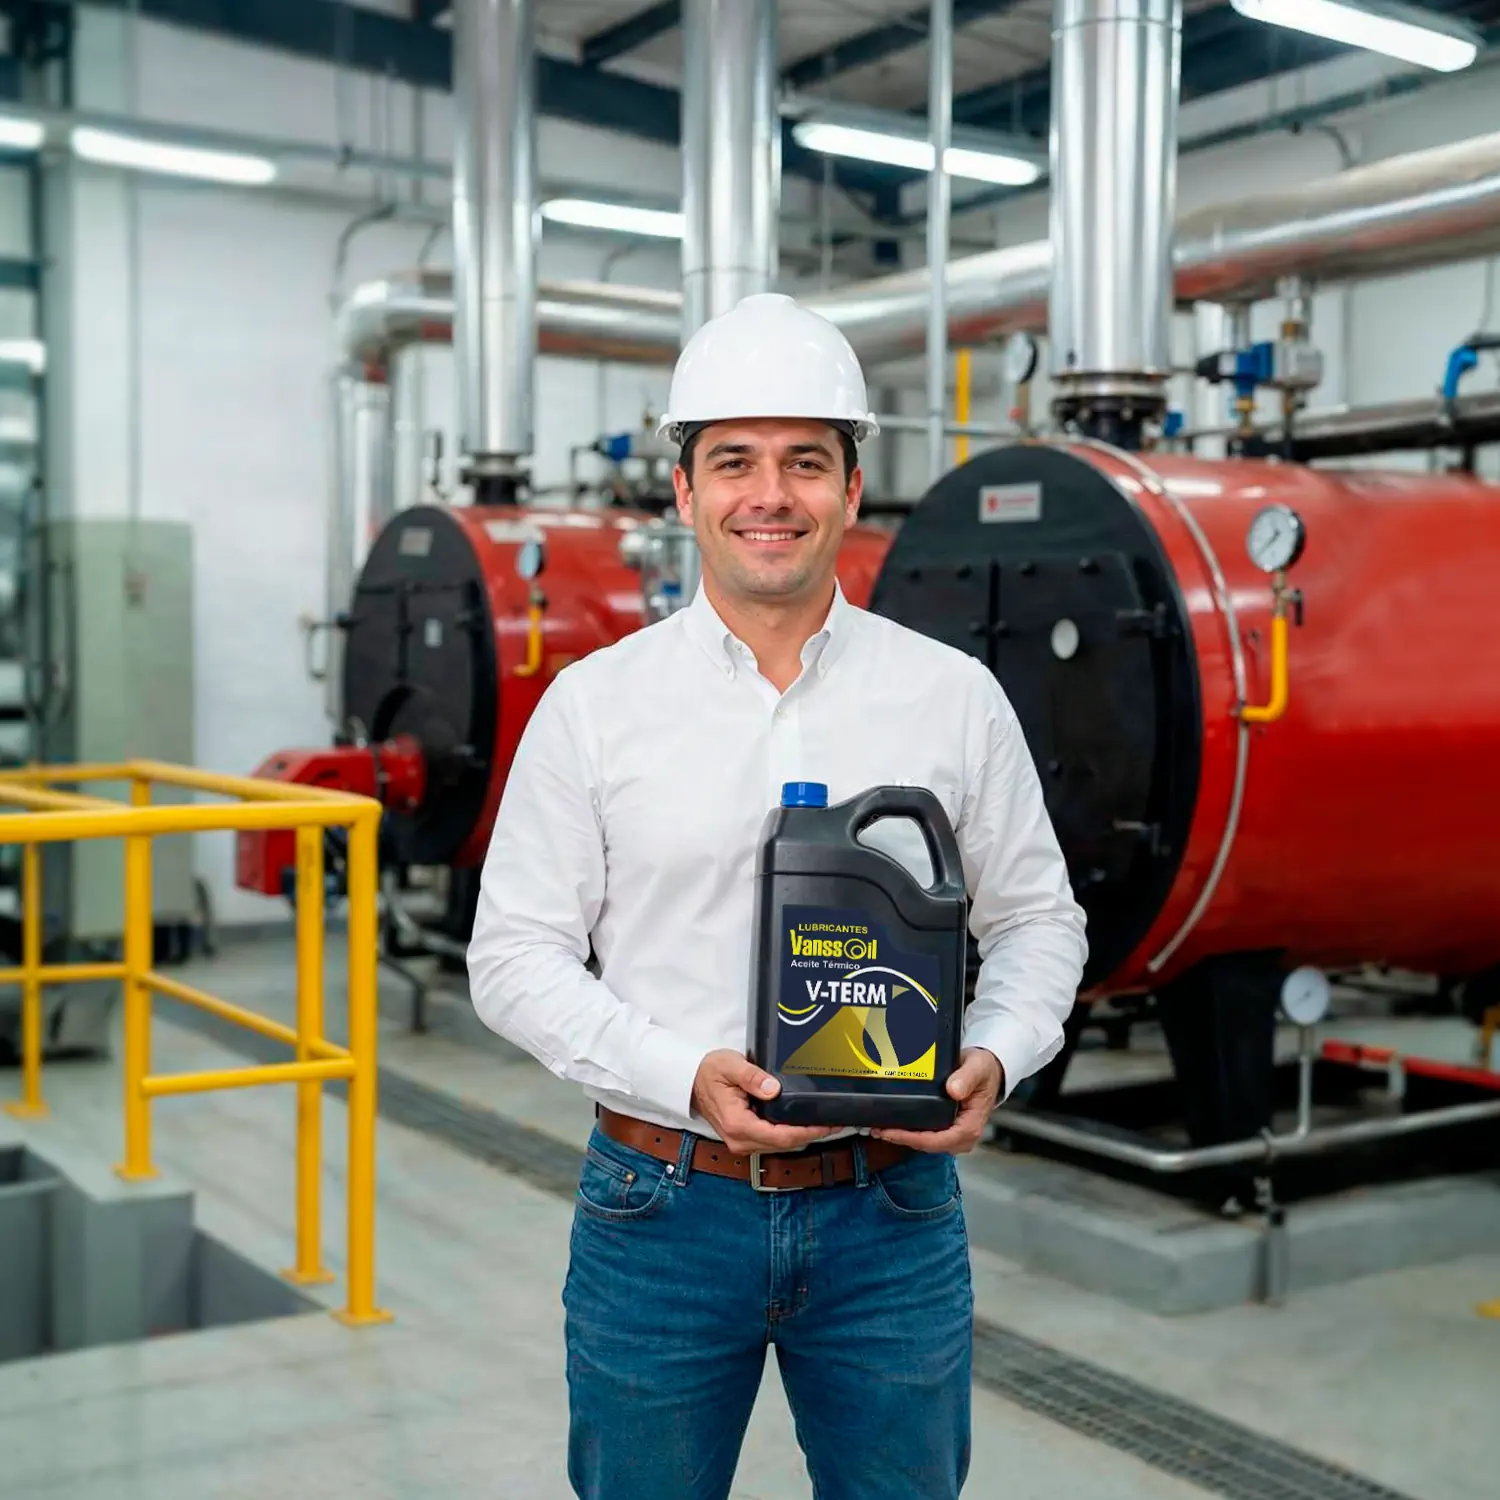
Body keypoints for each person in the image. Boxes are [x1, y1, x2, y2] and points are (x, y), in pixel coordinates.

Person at [467, 291, 1087, 1500]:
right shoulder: (596, 706)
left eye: (806, 461)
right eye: (734, 461)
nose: (772, 494)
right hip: (661, 1208)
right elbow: (516, 956)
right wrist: (677, 1072)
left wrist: (997, 1057)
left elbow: (1038, 921)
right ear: (685, 491)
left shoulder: (950, 697)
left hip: (891, 1212)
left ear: (853, 489)